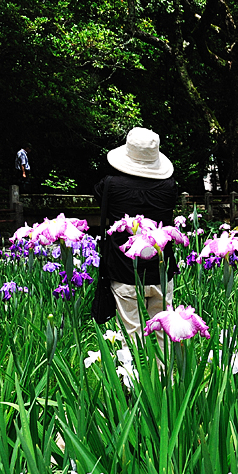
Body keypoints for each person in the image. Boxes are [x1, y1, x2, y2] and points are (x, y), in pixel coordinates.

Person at [94, 127, 179, 342]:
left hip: (124, 271)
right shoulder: (169, 186)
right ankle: (161, 375)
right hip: (160, 270)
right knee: (162, 336)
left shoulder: (110, 185)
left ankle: (132, 375)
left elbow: (99, 197)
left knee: (131, 337)